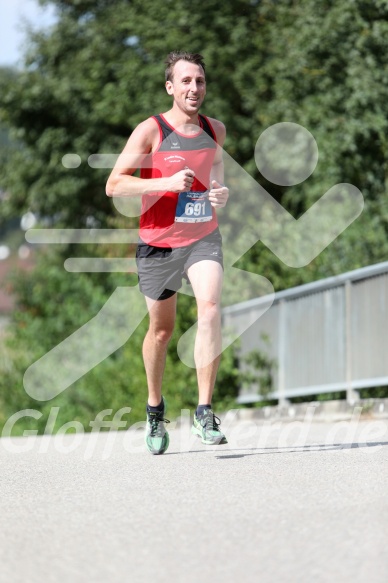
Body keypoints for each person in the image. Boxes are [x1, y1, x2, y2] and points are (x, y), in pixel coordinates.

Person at [106, 51, 229, 454]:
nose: (195, 89)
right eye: (187, 81)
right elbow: (115, 184)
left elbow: (216, 181)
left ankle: (204, 410)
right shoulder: (151, 131)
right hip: (158, 244)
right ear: (170, 87)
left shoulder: (216, 129)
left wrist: (220, 194)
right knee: (161, 331)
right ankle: (155, 409)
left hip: (202, 237)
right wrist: (163, 184)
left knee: (210, 308)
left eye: (201, 81)